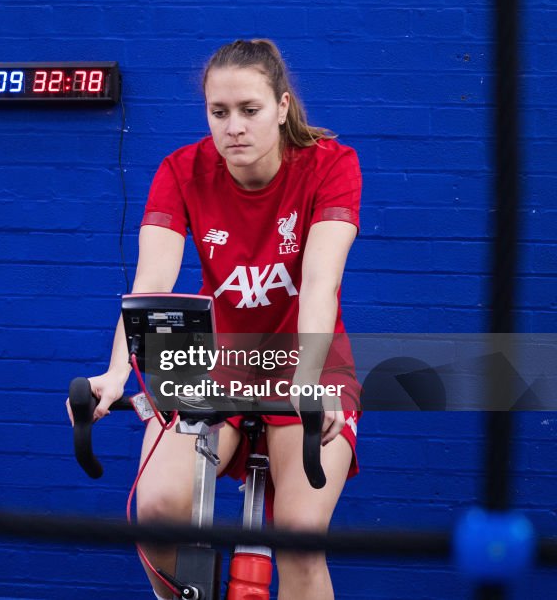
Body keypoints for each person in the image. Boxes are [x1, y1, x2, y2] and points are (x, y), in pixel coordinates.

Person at [70, 39, 362, 600]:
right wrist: (116, 375)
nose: (233, 127)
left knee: (300, 540)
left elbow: (322, 284)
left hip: (306, 365)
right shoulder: (183, 170)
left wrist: (306, 383)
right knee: (156, 512)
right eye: (218, 112)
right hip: (215, 363)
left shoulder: (330, 164)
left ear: (281, 106)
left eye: (249, 110)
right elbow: (150, 285)